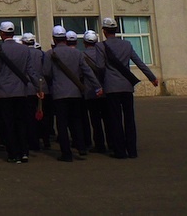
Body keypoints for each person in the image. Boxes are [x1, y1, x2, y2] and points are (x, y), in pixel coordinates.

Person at [95, 17, 159, 159]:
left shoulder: (100, 47)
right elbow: (139, 62)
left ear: (104, 31)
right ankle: (132, 150)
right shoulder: (127, 45)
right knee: (129, 119)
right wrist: (152, 78)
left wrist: (99, 86)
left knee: (115, 119)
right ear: (116, 30)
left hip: (111, 88)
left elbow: (100, 67)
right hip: (127, 87)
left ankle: (120, 151)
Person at [43, 25, 102, 163]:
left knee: (62, 124)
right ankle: (81, 147)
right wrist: (97, 87)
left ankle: (66, 153)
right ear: (65, 38)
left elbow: (46, 73)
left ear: (54, 39)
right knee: (76, 121)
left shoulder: (49, 54)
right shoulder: (77, 53)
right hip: (76, 91)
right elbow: (87, 71)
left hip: (59, 93)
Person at [0, 21, 41, 164]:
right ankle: (24, 152)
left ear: (2, 33)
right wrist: (38, 88)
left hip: (5, 91)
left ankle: (13, 154)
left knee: (8, 123)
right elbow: (31, 71)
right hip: (21, 90)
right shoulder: (24, 50)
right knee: (21, 122)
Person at [82, 30, 108, 153]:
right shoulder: (103, 54)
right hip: (105, 90)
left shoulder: (82, 55)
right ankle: (112, 143)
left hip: (90, 92)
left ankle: (99, 144)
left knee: (95, 120)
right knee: (108, 119)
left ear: (84, 42)